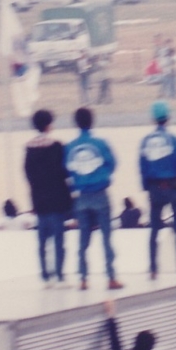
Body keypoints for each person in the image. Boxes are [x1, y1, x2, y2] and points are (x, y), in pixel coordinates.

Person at [65, 107, 123, 291]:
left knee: (83, 241)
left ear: (76, 123)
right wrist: (101, 176)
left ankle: (83, 278)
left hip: (81, 197)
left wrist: (79, 181)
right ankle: (111, 277)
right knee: (106, 238)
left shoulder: (69, 147)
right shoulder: (101, 143)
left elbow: (67, 171)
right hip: (100, 194)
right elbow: (113, 164)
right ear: (92, 121)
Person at [139, 101, 176, 279]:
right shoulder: (174, 139)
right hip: (173, 187)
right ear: (168, 117)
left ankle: (153, 269)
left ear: (153, 118)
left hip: (154, 189)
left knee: (154, 229)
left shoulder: (145, 142)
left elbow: (142, 167)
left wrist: (147, 188)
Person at [24, 109, 73, 287]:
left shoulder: (29, 148)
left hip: (39, 200)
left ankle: (45, 276)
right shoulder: (57, 146)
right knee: (59, 239)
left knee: (42, 241)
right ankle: (59, 275)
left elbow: (28, 175)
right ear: (48, 125)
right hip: (57, 199)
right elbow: (64, 171)